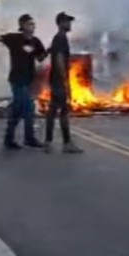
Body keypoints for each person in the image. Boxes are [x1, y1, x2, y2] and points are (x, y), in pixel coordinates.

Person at [0, 13, 47, 150]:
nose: (33, 26)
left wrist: (50, 51)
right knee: (28, 108)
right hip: (17, 79)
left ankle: (9, 139)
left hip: (29, 79)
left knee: (17, 110)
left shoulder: (36, 41)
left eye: (33, 24)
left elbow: (40, 58)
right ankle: (29, 138)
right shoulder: (14, 39)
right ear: (22, 26)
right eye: (29, 24)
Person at [45, 12, 83, 154]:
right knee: (64, 111)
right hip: (58, 80)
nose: (69, 24)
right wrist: (65, 81)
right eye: (67, 22)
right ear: (61, 23)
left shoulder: (58, 38)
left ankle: (48, 142)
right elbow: (60, 59)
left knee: (53, 110)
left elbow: (53, 54)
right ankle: (67, 143)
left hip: (55, 79)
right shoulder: (61, 38)